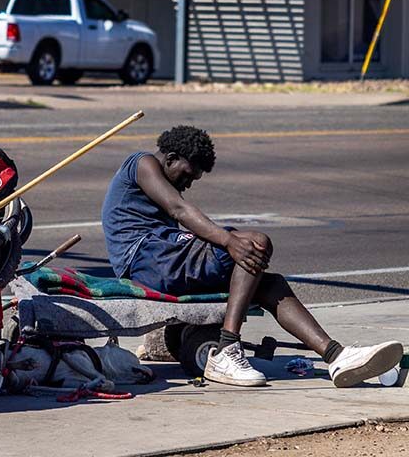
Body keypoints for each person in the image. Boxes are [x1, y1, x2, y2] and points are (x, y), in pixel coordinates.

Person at [101, 125, 403, 387]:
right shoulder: (142, 163)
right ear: (170, 159)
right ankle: (228, 350)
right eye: (188, 174)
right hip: (143, 259)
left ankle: (336, 356)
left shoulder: (162, 175)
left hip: (164, 257)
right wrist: (230, 242)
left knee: (269, 284)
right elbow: (179, 209)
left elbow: (184, 222)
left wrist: (230, 243)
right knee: (255, 243)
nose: (189, 183)